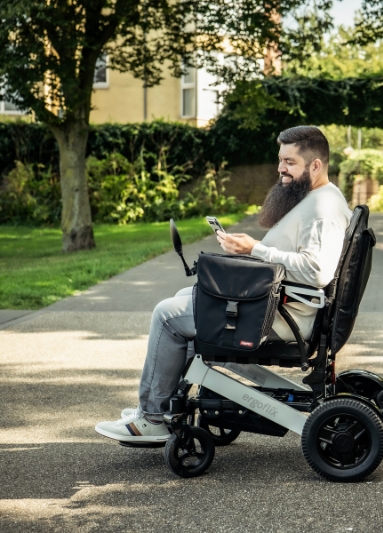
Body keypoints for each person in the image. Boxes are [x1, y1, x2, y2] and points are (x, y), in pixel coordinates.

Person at [95, 126, 352, 444]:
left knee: (167, 314)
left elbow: (316, 272)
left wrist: (254, 249)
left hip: (283, 319)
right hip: (275, 307)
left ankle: (152, 418)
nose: (281, 168)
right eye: (280, 160)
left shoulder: (321, 210)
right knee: (185, 300)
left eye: (289, 161)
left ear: (315, 165)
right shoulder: (318, 198)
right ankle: (162, 405)